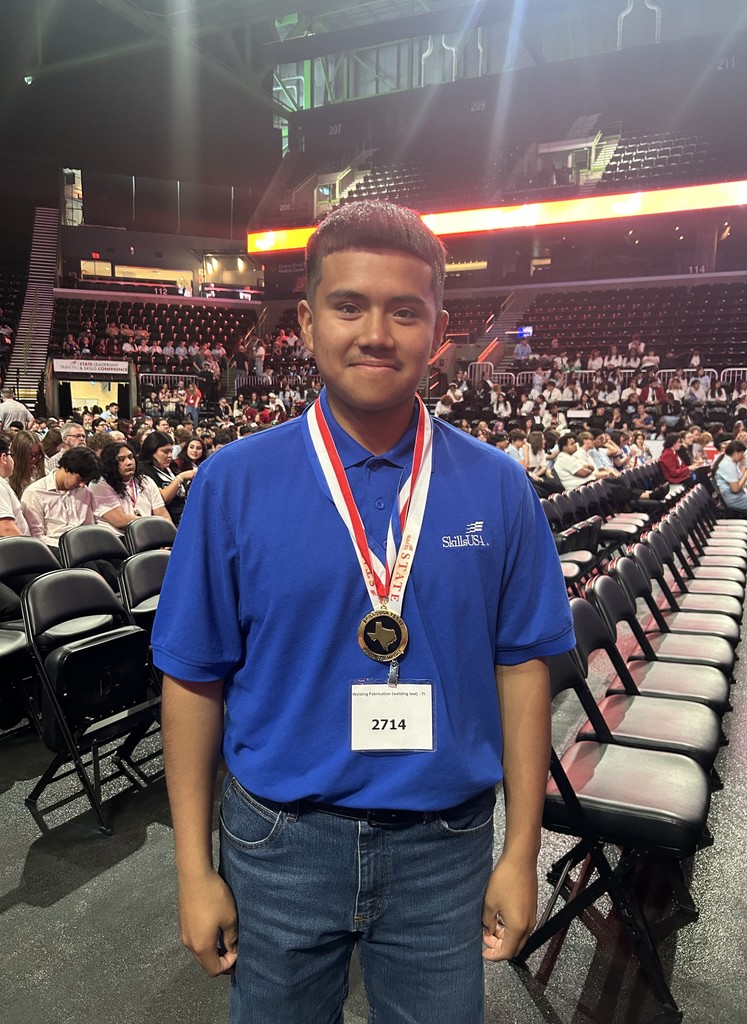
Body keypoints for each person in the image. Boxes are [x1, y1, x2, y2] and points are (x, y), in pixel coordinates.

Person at [152, 200, 574, 1024]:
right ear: (306, 322)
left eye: (404, 310)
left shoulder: (498, 486)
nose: (376, 332)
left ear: (437, 329)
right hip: (280, 843)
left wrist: (521, 852)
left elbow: (523, 669)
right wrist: (192, 870)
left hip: (443, 845)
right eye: (349, 305)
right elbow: (193, 678)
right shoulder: (232, 483)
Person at [20, 446, 101, 550]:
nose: (82, 485)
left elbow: (89, 527)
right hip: (54, 549)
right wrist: (70, 545)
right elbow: (36, 537)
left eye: (86, 481)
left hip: (84, 546)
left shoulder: (84, 491)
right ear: (67, 468)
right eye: (80, 479)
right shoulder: (35, 493)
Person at [89, 442, 171, 536]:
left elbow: (162, 514)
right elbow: (119, 520)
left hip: (148, 534)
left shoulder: (145, 481)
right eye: (121, 459)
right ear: (110, 464)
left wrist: (168, 535)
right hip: (118, 540)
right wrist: (153, 525)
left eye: (131, 457)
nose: (129, 463)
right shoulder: (99, 485)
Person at [139, 431, 196, 527]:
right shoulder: (144, 470)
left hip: (184, 514)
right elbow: (161, 499)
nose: (169, 455)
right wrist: (180, 478)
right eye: (165, 452)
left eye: (171, 451)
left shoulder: (169, 467)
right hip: (169, 521)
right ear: (152, 451)